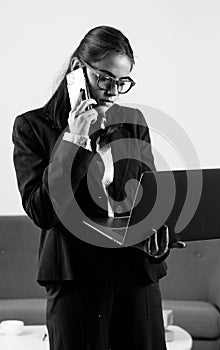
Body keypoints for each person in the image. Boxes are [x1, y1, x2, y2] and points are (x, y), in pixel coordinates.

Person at [12, 25, 172, 350]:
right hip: (75, 276)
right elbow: (42, 211)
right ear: (76, 70)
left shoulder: (133, 121)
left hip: (135, 272)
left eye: (122, 82)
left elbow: (147, 197)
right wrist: (74, 140)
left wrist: (160, 237)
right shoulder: (32, 127)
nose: (113, 92)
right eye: (105, 79)